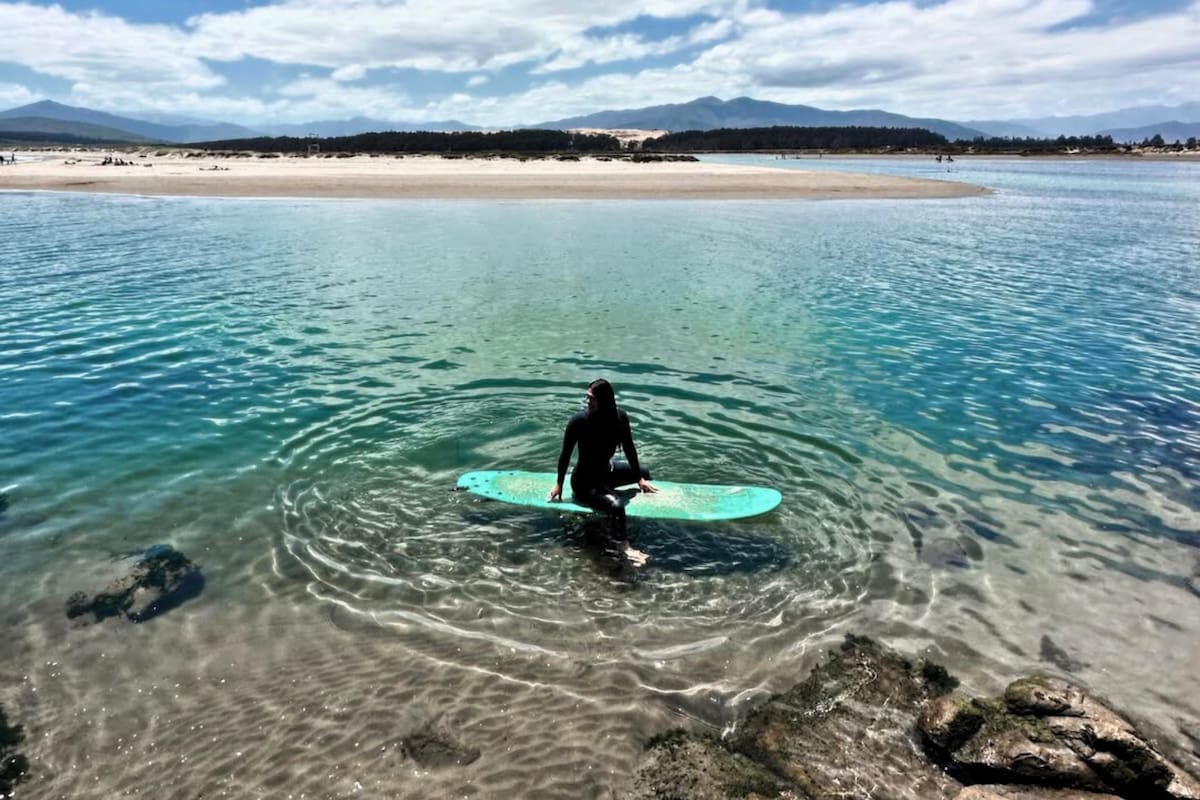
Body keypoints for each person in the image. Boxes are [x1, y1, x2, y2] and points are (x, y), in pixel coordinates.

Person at [549, 378, 657, 565]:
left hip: (607, 471)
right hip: (585, 481)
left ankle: (623, 493)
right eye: (587, 397)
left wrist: (639, 479)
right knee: (617, 506)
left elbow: (630, 448)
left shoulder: (620, 418)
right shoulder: (579, 422)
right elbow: (565, 455)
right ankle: (623, 546)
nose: (587, 401)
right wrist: (559, 484)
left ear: (604, 400)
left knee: (645, 472)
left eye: (591, 398)